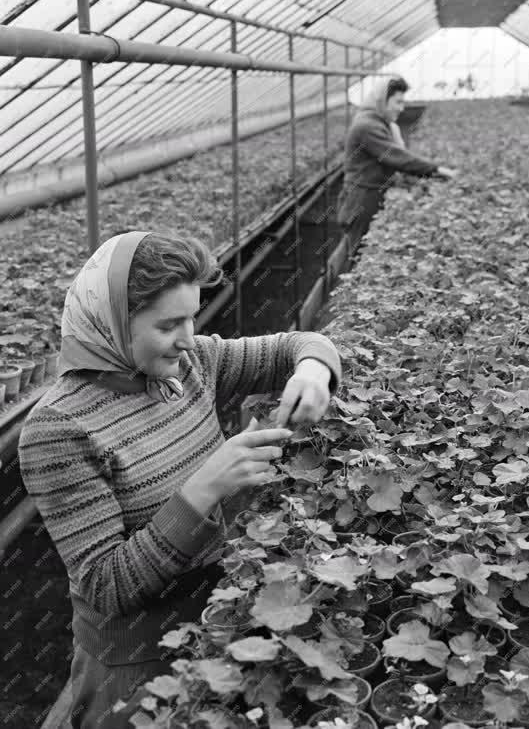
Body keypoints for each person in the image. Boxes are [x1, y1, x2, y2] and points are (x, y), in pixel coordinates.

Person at [18, 231, 342, 728]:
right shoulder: (59, 428)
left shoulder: (189, 365)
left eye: (192, 316)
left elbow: (297, 344)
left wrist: (315, 371)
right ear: (110, 324)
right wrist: (203, 489)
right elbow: (108, 587)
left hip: (222, 617)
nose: (189, 337)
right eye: (169, 324)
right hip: (137, 665)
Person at [337, 75, 456, 249]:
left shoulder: (377, 121)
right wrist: (437, 170)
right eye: (398, 102)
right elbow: (399, 158)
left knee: (357, 248)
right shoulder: (367, 126)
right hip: (362, 199)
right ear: (382, 100)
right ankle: (335, 274)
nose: (401, 108)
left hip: (368, 194)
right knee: (357, 251)